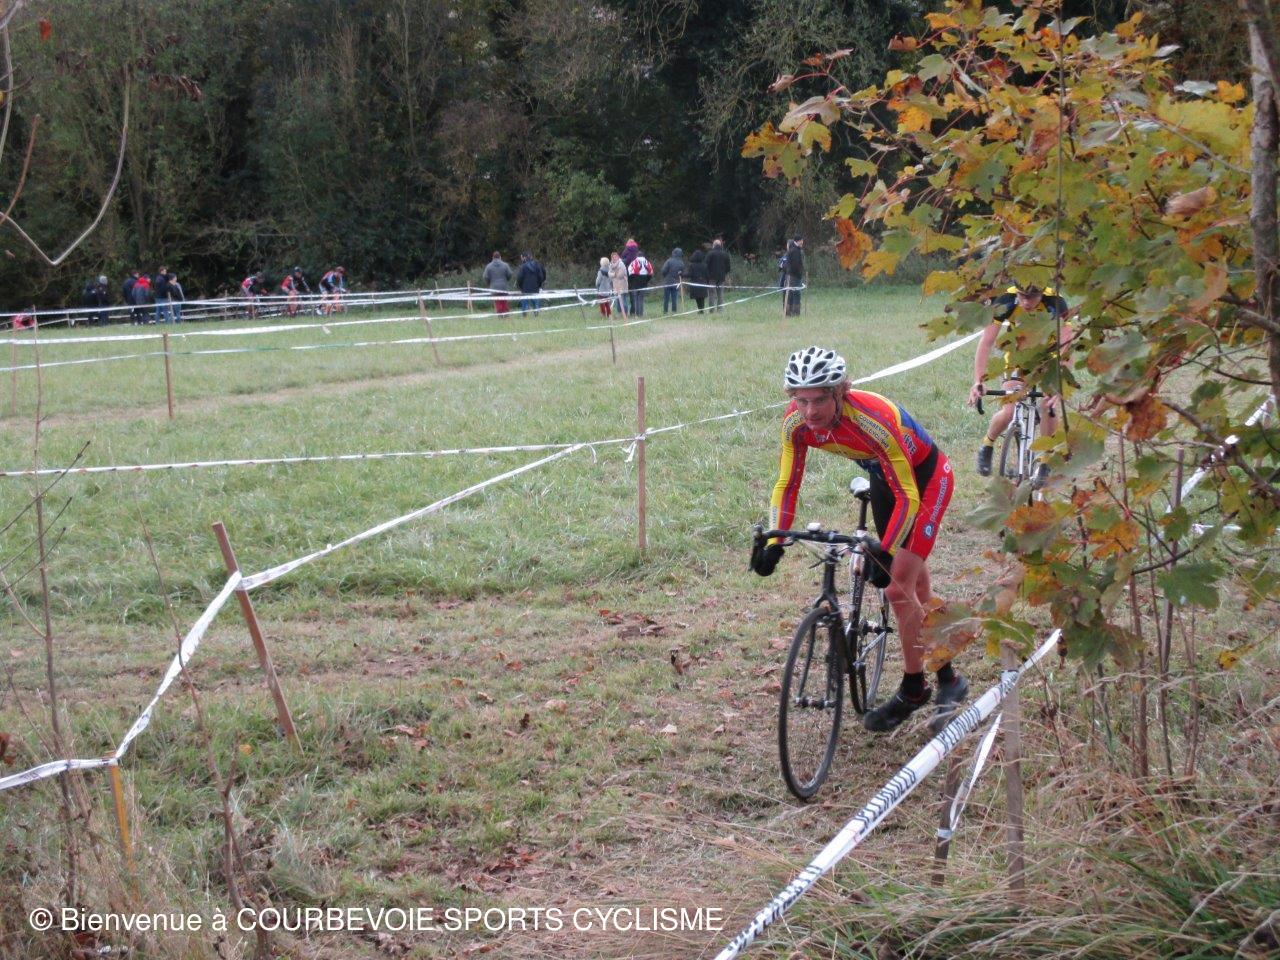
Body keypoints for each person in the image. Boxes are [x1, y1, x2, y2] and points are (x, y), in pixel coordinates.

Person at [752, 346, 968, 733]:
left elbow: (909, 496)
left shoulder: (872, 420)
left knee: (897, 589)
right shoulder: (795, 424)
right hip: (886, 478)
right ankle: (949, 678)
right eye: (801, 400)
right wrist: (774, 542)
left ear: (840, 392)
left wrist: (887, 550)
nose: (810, 411)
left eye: (819, 400)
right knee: (915, 587)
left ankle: (914, 688)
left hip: (926, 481)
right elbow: (787, 484)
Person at [968, 284, 1074, 488]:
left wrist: (1059, 383)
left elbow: (1067, 346)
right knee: (1009, 411)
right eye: (1022, 296)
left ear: (1041, 293)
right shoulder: (1006, 300)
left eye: (1032, 297)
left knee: (1047, 406)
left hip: (1049, 360)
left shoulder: (1055, 302)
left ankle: (1045, 460)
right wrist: (978, 380)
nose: (1026, 302)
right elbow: (986, 342)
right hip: (1019, 359)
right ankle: (987, 444)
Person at [482, 251, 513, 315]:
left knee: (498, 302)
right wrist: (506, 280)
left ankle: (500, 315)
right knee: (504, 301)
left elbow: (485, 276)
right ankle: (506, 314)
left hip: (494, 288)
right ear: (500, 257)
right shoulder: (505, 265)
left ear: (493, 257)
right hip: (504, 287)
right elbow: (510, 274)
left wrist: (489, 283)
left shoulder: (489, 266)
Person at [705, 238, 731, 311]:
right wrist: (724, 273)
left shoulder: (710, 253)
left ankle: (711, 309)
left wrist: (707, 275)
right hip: (721, 277)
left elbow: (705, 265)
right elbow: (728, 267)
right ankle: (720, 309)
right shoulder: (725, 254)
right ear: (720, 245)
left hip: (711, 277)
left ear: (713, 245)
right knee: (720, 293)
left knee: (711, 293)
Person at [626, 247, 653, 316]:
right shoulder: (647, 262)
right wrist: (646, 281)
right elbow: (650, 274)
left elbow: (630, 273)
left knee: (635, 299)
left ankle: (635, 313)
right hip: (644, 282)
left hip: (635, 282)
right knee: (641, 299)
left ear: (637, 256)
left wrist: (630, 283)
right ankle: (640, 314)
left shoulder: (634, 262)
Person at [660, 247, 686, 314]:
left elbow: (663, 271)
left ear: (673, 253)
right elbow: (682, 273)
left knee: (666, 298)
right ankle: (674, 311)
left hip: (667, 282)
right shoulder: (681, 263)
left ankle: (665, 311)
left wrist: (665, 276)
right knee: (674, 298)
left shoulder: (669, 261)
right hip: (676, 282)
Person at [784, 236, 805, 316]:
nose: (802, 242)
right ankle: (794, 312)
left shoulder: (796, 250)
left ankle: (791, 312)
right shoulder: (795, 251)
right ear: (797, 241)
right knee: (794, 294)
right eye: (801, 241)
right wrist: (798, 274)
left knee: (793, 293)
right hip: (793, 276)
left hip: (793, 275)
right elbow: (795, 265)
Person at [607, 251, 628, 318]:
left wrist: (614, 274)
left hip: (622, 285)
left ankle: (625, 313)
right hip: (615, 285)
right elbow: (609, 274)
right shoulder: (610, 265)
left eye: (615, 257)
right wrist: (614, 274)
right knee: (617, 301)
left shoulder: (621, 264)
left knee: (623, 300)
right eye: (613, 257)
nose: (614, 258)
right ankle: (619, 313)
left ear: (618, 257)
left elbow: (621, 275)